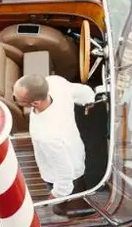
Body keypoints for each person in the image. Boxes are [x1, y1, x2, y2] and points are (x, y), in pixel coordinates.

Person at [12, 74, 94, 214]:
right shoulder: (55, 82)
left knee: (70, 205)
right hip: (75, 150)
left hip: (64, 174)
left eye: (16, 99)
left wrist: (57, 194)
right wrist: (89, 100)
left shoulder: (47, 136)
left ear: (35, 103)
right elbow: (83, 92)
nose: (13, 98)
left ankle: (73, 212)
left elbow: (65, 173)